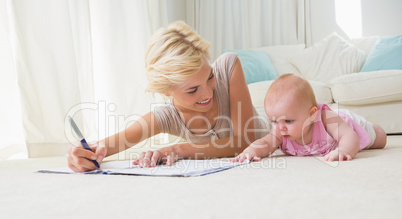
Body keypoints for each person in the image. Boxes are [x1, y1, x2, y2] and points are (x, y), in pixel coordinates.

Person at [67, 20, 269, 172]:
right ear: (166, 90)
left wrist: (180, 150)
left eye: (210, 76)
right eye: (192, 90)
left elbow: (245, 142)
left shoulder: (227, 66)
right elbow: (103, 147)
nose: (208, 92)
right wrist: (82, 155)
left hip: (277, 130)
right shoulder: (166, 117)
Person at [232, 74, 387, 163]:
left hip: (347, 124)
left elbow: (348, 136)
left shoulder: (327, 119)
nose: (280, 127)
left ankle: (372, 127)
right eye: (273, 121)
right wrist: (251, 150)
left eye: (288, 121)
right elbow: (266, 143)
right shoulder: (281, 130)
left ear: (312, 114)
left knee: (380, 139)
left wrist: (343, 150)